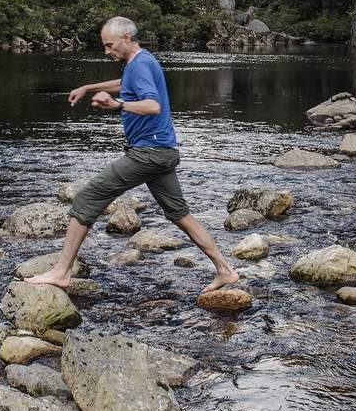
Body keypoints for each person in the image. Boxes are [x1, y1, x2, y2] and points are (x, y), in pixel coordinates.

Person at [28, 16, 240, 293]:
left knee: (87, 199)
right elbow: (125, 83)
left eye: (109, 45)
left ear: (126, 38)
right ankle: (226, 271)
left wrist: (117, 105)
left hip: (148, 153)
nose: (107, 51)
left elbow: (152, 105)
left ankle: (61, 272)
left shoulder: (139, 64)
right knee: (180, 214)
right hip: (163, 151)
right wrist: (89, 88)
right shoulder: (141, 61)